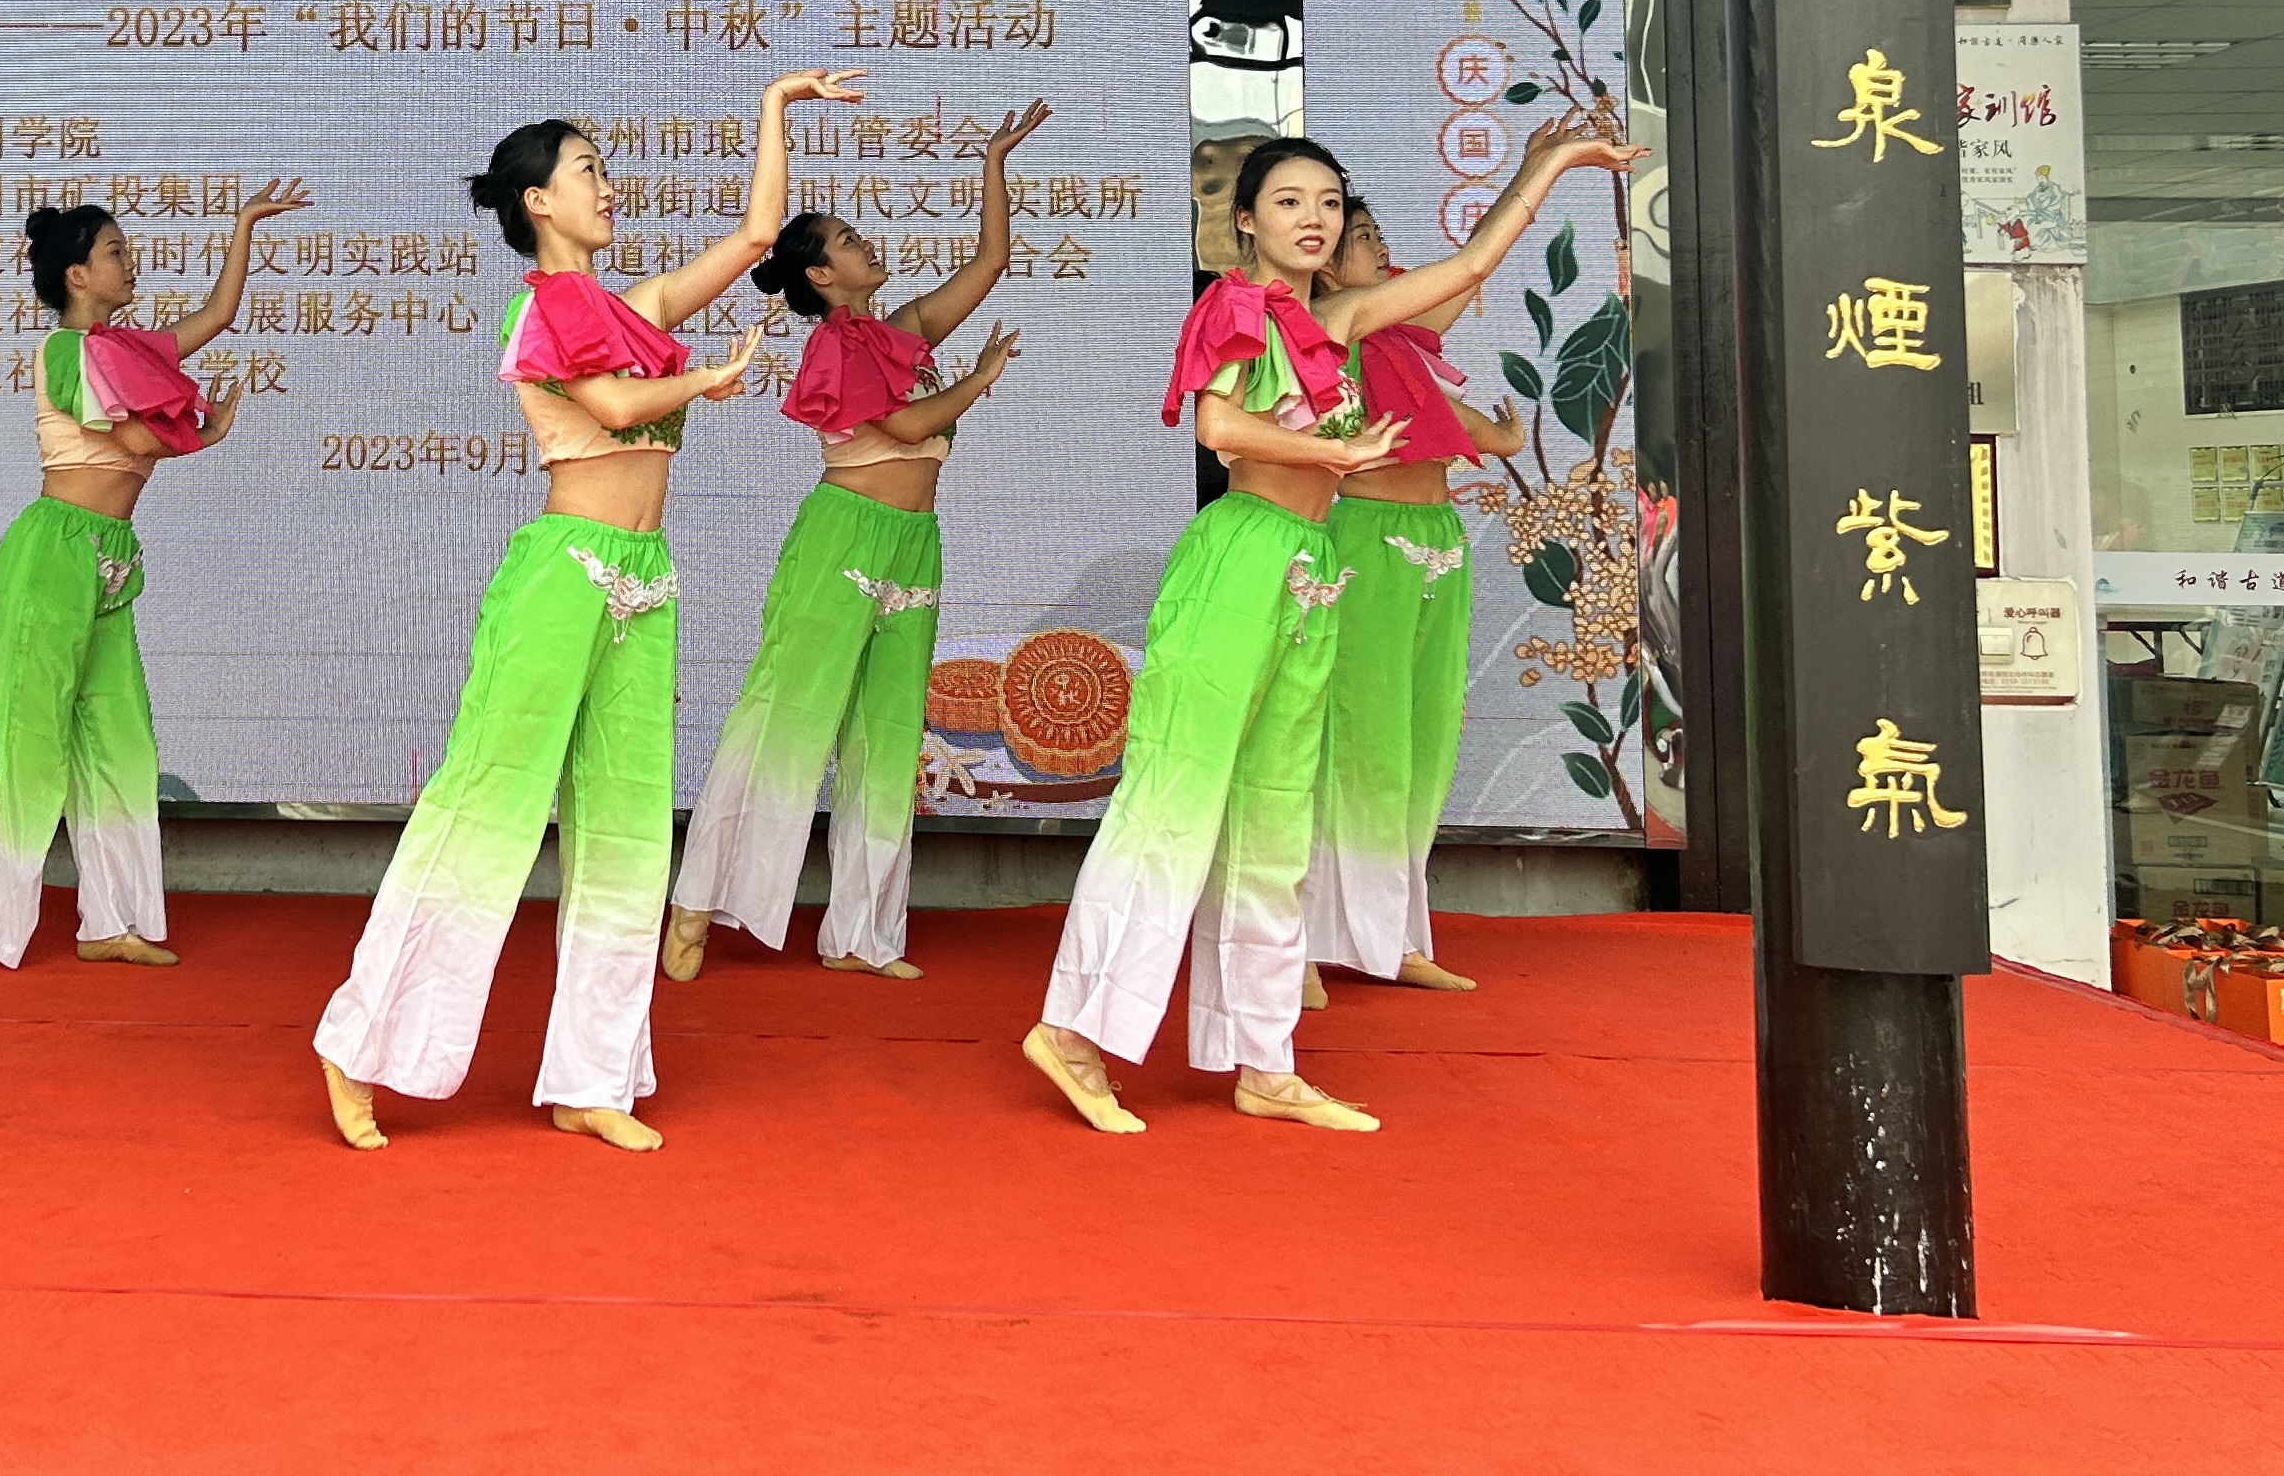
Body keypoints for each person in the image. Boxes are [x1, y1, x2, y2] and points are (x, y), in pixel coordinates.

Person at [1021, 115, 1630, 1139]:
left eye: (1330, 203)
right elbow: (1219, 426)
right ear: (1246, 222)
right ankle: (1073, 1033)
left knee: (1274, 811)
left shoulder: (1337, 321)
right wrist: (1334, 458)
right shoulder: (1235, 307)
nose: (1315, 218)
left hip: (1309, 568)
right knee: (1175, 798)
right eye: (1290, 202)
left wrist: (1551, 164)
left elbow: (1469, 267)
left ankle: (1265, 1062)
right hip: (1241, 559)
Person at [313, 70, 861, 1155]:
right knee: (486, 806)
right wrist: (703, 383)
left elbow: (758, 236)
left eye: (605, 170)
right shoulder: (543, 307)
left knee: (626, 828)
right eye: (588, 171)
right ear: (539, 202)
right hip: (564, 575)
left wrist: (774, 105)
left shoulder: (631, 309)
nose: (608, 187)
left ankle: (592, 1077)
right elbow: (609, 405)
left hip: (642, 579)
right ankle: (362, 1043)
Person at [664, 100, 1048, 985]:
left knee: (887, 733)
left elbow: (990, 262)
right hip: (844, 537)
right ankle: (696, 904)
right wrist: (980, 380)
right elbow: (907, 428)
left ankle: (861, 935)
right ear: (820, 273)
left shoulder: (903, 331)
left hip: (914, 543)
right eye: (846, 239)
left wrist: (992, 161)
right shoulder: (834, 347)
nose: (865, 243)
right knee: (786, 719)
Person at [0, 179, 311, 973]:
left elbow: (217, 317)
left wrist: (245, 224)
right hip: (53, 556)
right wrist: (204, 433)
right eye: (115, 252)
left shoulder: (131, 350)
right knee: (35, 749)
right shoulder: (69, 352)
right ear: (77, 274)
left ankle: (109, 922)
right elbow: (141, 444)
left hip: (108, 560)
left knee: (122, 742)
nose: (129, 263)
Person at [1301, 195, 1533, 997]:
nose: (1380, 247)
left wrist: (1495, 437)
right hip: (1368, 543)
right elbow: (1468, 270)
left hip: (1438, 543)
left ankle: (1393, 934)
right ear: (1328, 267)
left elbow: (1467, 282)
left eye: (1377, 233)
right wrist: (1535, 172)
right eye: (1362, 238)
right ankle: (1296, 944)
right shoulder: (1332, 326)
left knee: (1421, 742)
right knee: (1356, 741)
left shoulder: (1398, 340)